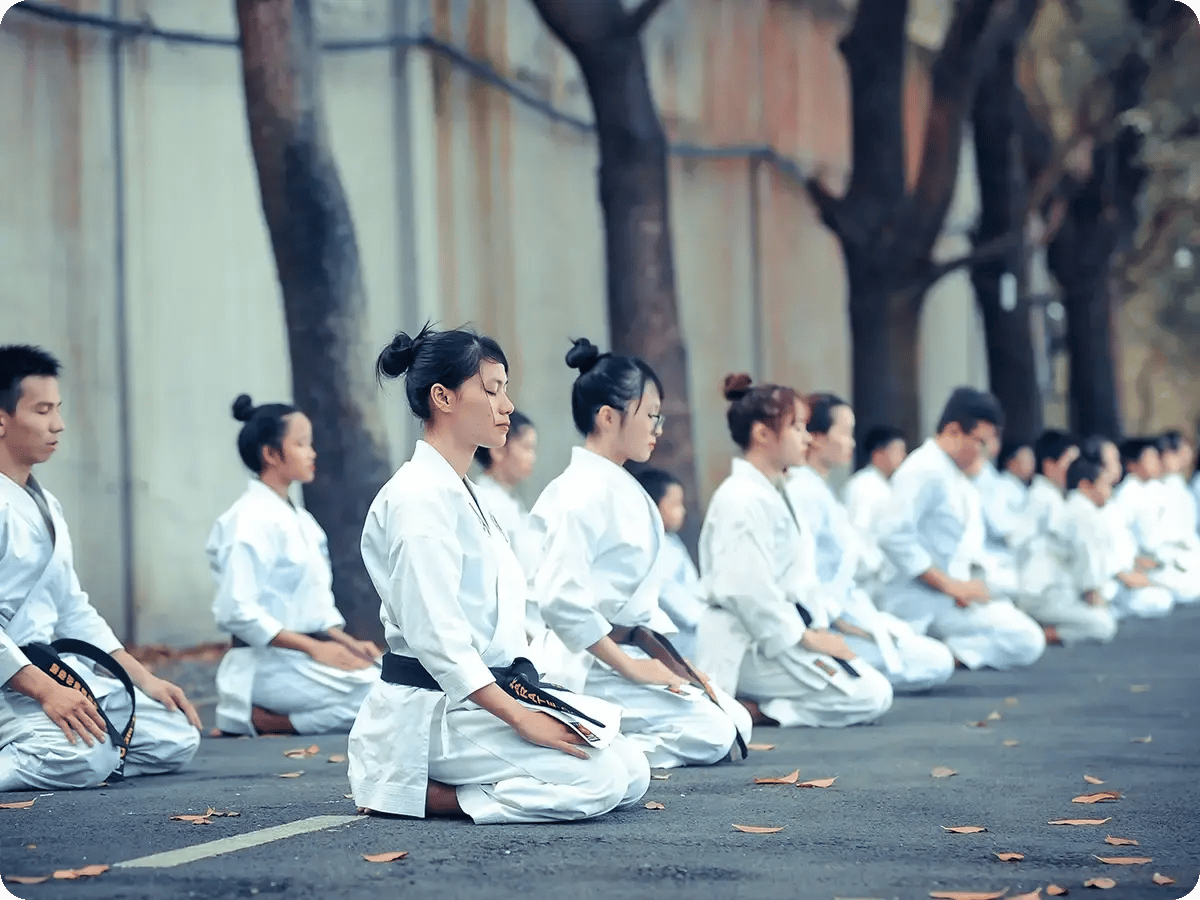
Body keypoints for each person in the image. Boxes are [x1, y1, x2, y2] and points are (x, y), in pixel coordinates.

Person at [348, 325, 649, 824]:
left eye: (505, 390)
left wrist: (531, 703)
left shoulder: (461, 492)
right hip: (437, 710)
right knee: (600, 781)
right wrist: (521, 719)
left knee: (632, 771)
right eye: (491, 390)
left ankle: (464, 777)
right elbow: (438, 640)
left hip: (486, 697)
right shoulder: (418, 500)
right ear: (442, 397)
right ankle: (415, 791)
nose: (506, 405)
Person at [529, 339, 750, 769]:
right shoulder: (579, 493)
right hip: (588, 661)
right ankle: (597, 751)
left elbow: (641, 614)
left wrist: (677, 666)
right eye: (650, 415)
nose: (658, 428)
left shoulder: (621, 486)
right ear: (608, 417)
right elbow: (560, 600)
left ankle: (606, 739)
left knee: (736, 720)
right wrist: (632, 669)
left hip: (629, 652)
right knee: (715, 733)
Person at [0, 345, 201, 792]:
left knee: (175, 736)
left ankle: (64, 749)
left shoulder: (42, 501)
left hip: (51, 671)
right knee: (91, 754)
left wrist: (142, 678)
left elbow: (72, 609)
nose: (59, 424)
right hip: (13, 681)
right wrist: (46, 691)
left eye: (58, 409)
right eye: (42, 410)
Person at [697, 375, 893, 728]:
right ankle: (756, 711)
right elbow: (746, 590)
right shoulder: (740, 498)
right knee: (871, 695)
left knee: (874, 685)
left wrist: (817, 629)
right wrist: (806, 637)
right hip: (748, 643)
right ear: (762, 434)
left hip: (778, 632)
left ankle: (757, 706)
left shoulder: (777, 490)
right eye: (797, 427)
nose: (806, 437)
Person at [206, 394, 380, 737]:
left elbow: (310, 606)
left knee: (400, 683)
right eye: (301, 444)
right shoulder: (248, 521)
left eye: (310, 443)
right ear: (271, 454)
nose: (312, 453)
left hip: (300, 659)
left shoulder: (301, 520)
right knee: (384, 696)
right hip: (264, 665)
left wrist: (345, 643)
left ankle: (272, 719)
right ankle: (270, 722)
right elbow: (236, 611)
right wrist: (316, 648)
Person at [786, 394, 954, 693]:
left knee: (931, 657)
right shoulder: (803, 491)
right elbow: (803, 577)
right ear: (818, 438)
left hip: (850, 607)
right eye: (846, 433)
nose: (852, 443)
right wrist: (832, 626)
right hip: (824, 621)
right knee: (931, 662)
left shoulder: (819, 489)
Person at [874, 388, 1046, 670]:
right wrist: (952, 586)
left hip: (948, 597)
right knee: (1026, 638)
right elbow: (892, 535)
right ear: (954, 431)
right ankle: (934, 653)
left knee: (1024, 631)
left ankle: (943, 653)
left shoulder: (954, 474)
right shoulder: (924, 469)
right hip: (918, 599)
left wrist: (966, 586)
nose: (985, 453)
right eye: (980, 442)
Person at [1020, 457, 1119, 645]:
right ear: (1085, 486)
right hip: (1047, 594)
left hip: (1051, 592)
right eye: (1105, 484)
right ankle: (1040, 633)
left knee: (1105, 615)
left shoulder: (1077, 507)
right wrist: (1092, 593)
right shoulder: (1082, 512)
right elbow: (1086, 558)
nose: (1109, 491)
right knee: (1104, 625)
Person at [1112, 438, 1200, 604]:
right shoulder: (1127, 493)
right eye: (1149, 459)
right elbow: (1122, 535)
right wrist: (1135, 561)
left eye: (1155, 458)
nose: (1156, 463)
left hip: (1166, 556)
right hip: (1145, 560)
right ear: (1132, 464)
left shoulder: (1154, 487)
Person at [630, 467, 705, 660]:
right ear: (652, 506)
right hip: (679, 638)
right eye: (676, 505)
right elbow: (668, 593)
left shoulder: (670, 541)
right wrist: (704, 619)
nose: (683, 511)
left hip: (693, 629)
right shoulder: (650, 549)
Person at [471, 410, 540, 576]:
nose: (533, 457)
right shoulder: (487, 503)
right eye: (526, 447)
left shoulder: (508, 500)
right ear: (498, 450)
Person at [843, 426, 906, 595]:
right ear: (878, 453)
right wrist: (871, 565)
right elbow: (859, 530)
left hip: (882, 575)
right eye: (897, 451)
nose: (903, 457)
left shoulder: (887, 486)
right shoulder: (864, 485)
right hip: (866, 577)